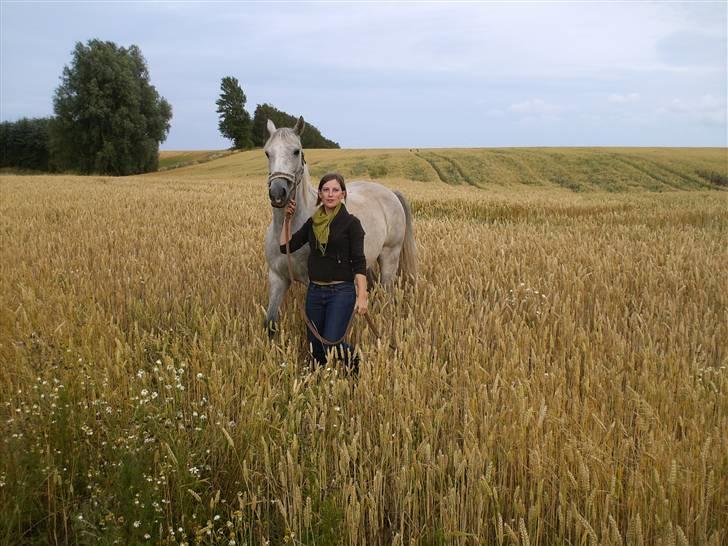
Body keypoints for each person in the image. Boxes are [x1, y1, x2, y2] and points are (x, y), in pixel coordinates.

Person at [280, 172, 367, 372]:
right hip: (315, 292)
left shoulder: (352, 224)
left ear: (343, 194)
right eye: (325, 190)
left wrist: (362, 295)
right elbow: (285, 247)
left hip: (341, 292)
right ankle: (319, 385)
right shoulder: (313, 223)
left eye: (335, 190)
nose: (330, 194)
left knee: (331, 343)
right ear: (319, 194)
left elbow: (359, 263)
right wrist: (287, 220)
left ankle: (353, 363)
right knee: (315, 348)